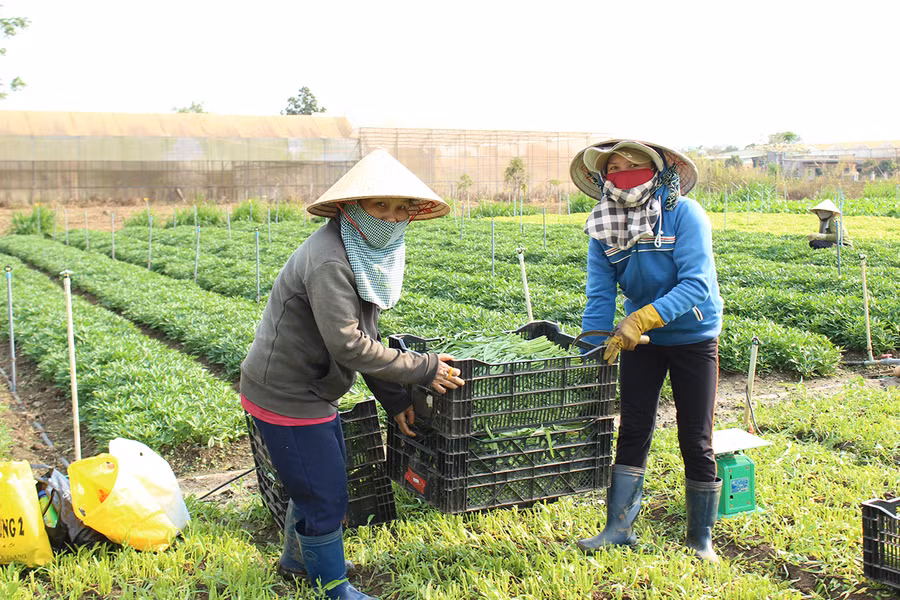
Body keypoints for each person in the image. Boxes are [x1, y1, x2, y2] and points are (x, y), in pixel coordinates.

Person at [240, 149, 465, 599]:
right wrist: (424, 369)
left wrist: (397, 399)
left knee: (317, 480)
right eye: (379, 205)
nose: (392, 215)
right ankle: (332, 586)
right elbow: (349, 344)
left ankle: (296, 561)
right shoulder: (330, 259)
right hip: (287, 393)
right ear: (349, 206)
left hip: (307, 389)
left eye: (401, 207)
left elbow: (368, 331)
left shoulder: (359, 249)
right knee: (326, 493)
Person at [568, 139, 725, 562]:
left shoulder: (684, 215)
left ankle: (700, 539)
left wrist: (639, 319)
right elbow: (599, 293)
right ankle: (617, 529)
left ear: (657, 172)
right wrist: (593, 341)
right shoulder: (603, 224)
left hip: (692, 336)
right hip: (640, 341)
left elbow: (697, 285)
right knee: (633, 428)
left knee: (696, 435)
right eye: (613, 167)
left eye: (632, 164)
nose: (622, 172)